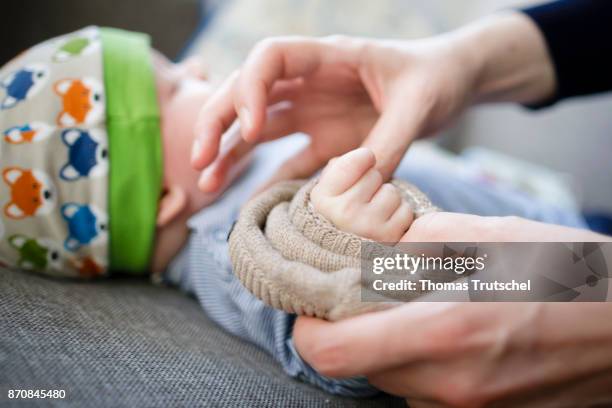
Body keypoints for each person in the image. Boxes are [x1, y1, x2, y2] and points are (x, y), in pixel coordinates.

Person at [190, 0, 612, 405]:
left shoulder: (273, 156)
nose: (195, 67)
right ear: (166, 202)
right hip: (552, 256)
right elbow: (320, 319)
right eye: (171, 88)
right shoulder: (220, 235)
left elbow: (585, 277)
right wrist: (342, 241)